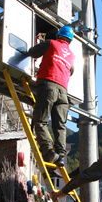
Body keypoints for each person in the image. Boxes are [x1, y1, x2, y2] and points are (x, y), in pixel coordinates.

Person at [26, 25, 75, 166]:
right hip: (63, 93)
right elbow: (71, 71)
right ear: (70, 40)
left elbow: (33, 52)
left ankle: (48, 152)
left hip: (49, 86)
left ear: (59, 35)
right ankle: (60, 156)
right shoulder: (72, 56)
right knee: (60, 126)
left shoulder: (51, 43)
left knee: (40, 121)